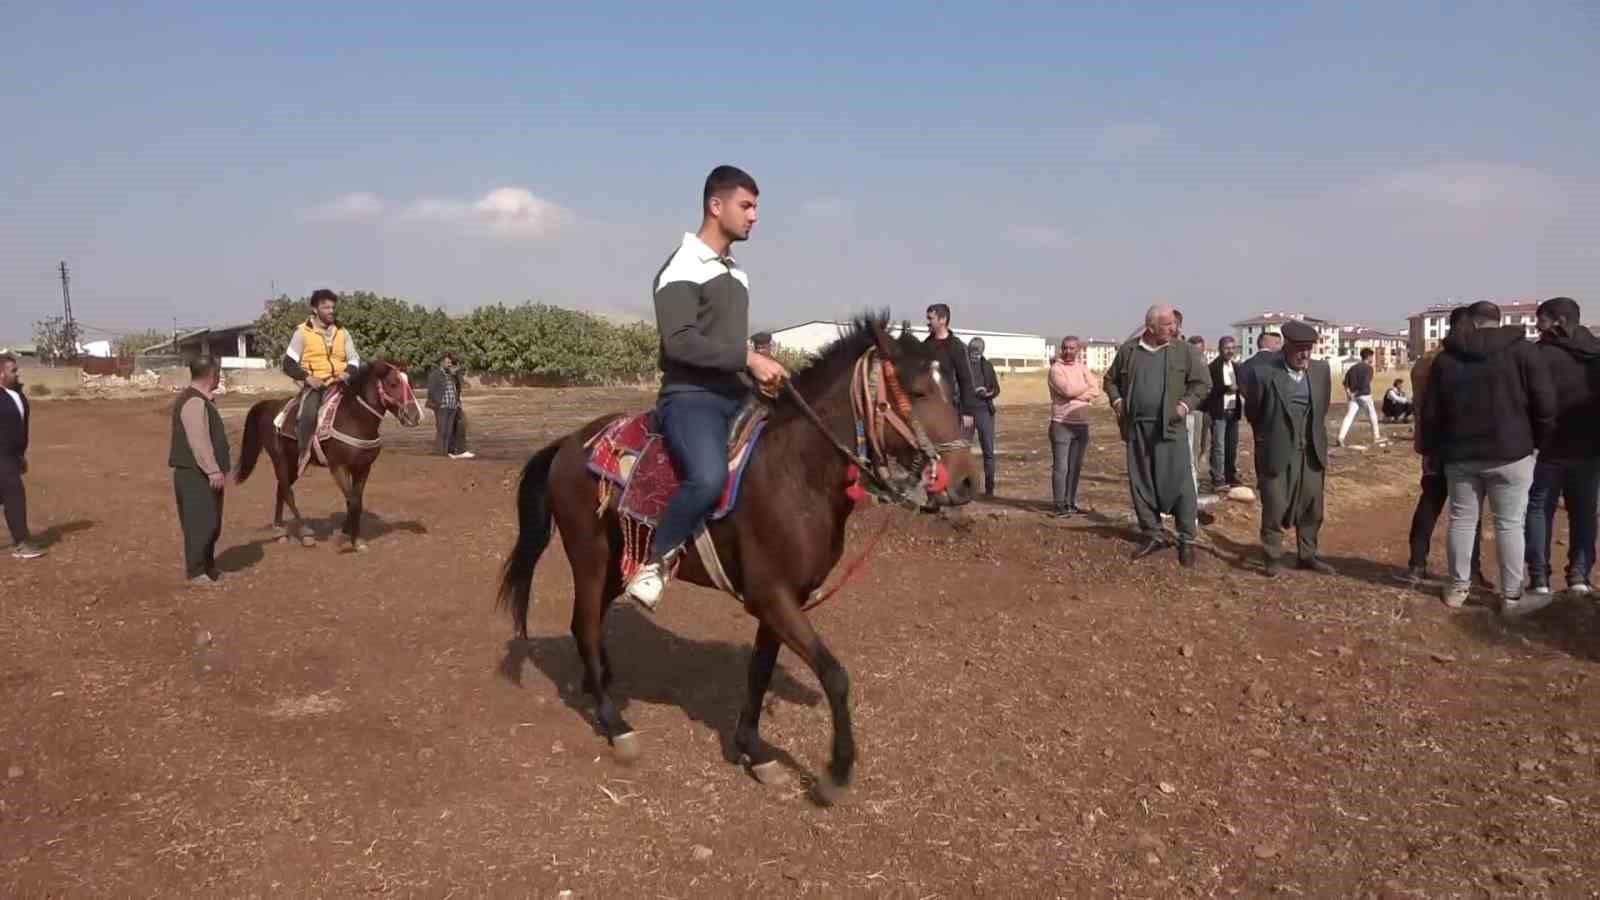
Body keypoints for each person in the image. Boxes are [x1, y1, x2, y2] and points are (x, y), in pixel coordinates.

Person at [622, 165, 787, 611]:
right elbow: (679, 343)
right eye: (746, 206)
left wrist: (760, 372)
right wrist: (748, 358)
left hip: (735, 394)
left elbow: (725, 343)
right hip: (691, 398)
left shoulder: (736, 273)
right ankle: (656, 562)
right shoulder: (682, 265)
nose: (754, 217)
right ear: (716, 206)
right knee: (710, 476)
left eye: (755, 207)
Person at [1419, 300, 1556, 616]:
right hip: (1512, 453)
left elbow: (1432, 413)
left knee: (1462, 520)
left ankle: (1457, 588)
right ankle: (1511, 597)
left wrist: (1431, 452)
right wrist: (1539, 444)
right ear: (1499, 320)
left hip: (1461, 455)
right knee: (1509, 524)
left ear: (1471, 322)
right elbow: (1545, 405)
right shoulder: (1524, 352)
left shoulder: (1447, 358)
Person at [1102, 304, 1211, 567]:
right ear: (1151, 327)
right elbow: (1110, 380)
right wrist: (1118, 403)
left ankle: (1187, 539)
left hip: (1170, 428)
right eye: (1168, 325)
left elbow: (1202, 384)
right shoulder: (1130, 350)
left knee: (1181, 484)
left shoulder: (1184, 351)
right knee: (1141, 482)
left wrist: (1183, 406)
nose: (1174, 328)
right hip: (1137, 428)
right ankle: (1152, 533)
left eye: (1174, 324)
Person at [1244, 321, 1335, 577]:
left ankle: (1307, 555)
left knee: (1312, 506)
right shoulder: (1263, 373)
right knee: (1275, 505)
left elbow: (1322, 408)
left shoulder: (1320, 371)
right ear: (1286, 347)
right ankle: (1272, 557)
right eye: (1300, 349)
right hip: (1277, 450)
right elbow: (1253, 411)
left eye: (1309, 349)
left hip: (1311, 451)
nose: (1305, 355)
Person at [1403, 306, 1486, 587]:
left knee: (1429, 504)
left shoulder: (1424, 361)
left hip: (1432, 445)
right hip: (1461, 445)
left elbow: (1418, 408)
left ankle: (1416, 564)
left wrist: (1424, 445)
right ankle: (1471, 570)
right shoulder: (1464, 360)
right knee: (1468, 511)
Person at [1524, 297, 1600, 597]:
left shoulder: (1537, 355)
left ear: (1559, 321)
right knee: (1584, 513)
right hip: (1589, 449)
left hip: (1547, 449)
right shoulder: (1596, 354)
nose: (1536, 325)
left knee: (1539, 510)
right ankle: (1579, 578)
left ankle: (1540, 580)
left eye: (1540, 319)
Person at [170, 357, 230, 585]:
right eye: (218, 374)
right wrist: (213, 470)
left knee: (211, 521)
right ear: (211, 375)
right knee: (200, 523)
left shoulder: (202, 400)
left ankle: (207, 566)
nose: (219, 378)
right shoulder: (194, 402)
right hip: (195, 473)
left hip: (202, 473)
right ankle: (196, 571)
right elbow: (198, 440)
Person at [282, 288, 362, 451]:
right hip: (317, 385)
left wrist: (347, 373)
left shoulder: (342, 332)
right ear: (315, 309)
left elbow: (354, 359)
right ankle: (303, 452)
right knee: (309, 415)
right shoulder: (302, 332)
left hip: (342, 382)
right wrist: (308, 378)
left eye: (333, 307)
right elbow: (288, 363)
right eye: (326, 307)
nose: (331, 311)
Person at [1048, 336, 1099, 517]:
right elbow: (1067, 390)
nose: (1068, 351)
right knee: (1061, 467)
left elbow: (1096, 388)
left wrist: (1077, 394)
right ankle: (1059, 504)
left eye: (1072, 348)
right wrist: (1085, 390)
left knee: (1075, 466)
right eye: (1065, 348)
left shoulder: (1082, 368)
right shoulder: (1056, 369)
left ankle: (1070, 502)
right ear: (1062, 349)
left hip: (1081, 424)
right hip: (1062, 424)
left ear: (1078, 350)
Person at [0, 354, 44, 559]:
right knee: (15, 494)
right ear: (1, 374)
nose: (18, 373)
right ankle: (22, 543)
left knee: (6, 496)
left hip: (12, 456)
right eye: (13, 370)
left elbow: (21, 428)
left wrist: (21, 456)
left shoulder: (18, 394)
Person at [923, 304, 979, 438]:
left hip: (949, 410)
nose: (928, 322)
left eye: (931, 318)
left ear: (943, 320)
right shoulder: (925, 345)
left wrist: (967, 413)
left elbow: (965, 380)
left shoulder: (956, 346)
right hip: (928, 410)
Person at [1203, 335, 1243, 490]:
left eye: (1233, 348)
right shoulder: (1213, 368)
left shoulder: (1236, 367)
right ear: (1220, 349)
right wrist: (1227, 388)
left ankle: (1230, 475)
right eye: (1227, 348)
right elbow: (1210, 390)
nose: (1230, 351)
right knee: (1219, 446)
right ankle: (1218, 477)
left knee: (1231, 446)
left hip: (1233, 411)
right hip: (1219, 411)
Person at [968, 337, 1001, 497]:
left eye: (978, 350)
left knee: (988, 451)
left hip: (985, 411)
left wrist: (988, 393)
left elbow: (996, 389)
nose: (975, 353)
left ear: (982, 351)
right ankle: (964, 486)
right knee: (962, 449)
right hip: (966, 412)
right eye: (973, 349)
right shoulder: (962, 366)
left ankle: (989, 489)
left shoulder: (987, 366)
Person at [427, 351, 474, 459]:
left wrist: (457, 402)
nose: (449, 364)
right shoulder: (435, 374)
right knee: (442, 430)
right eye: (447, 362)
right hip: (442, 406)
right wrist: (438, 403)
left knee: (448, 430)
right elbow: (431, 390)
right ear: (442, 362)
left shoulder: (451, 375)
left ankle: (447, 452)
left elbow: (456, 389)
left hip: (452, 405)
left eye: (450, 362)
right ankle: (441, 453)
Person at [1337, 348, 1383, 447]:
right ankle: (1376, 437)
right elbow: (1364, 384)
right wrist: (1357, 393)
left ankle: (1340, 437)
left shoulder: (1353, 368)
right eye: (1372, 357)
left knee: (1349, 416)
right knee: (1372, 415)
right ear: (1369, 357)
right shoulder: (1368, 368)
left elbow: (1345, 383)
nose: (1372, 359)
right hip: (1364, 395)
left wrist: (1349, 393)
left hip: (1353, 396)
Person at [1236, 329, 1283, 400]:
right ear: (1265, 343)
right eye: (1277, 343)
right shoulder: (1281, 362)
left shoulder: (1245, 365)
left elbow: (1242, 387)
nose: (1281, 346)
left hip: (1254, 406)